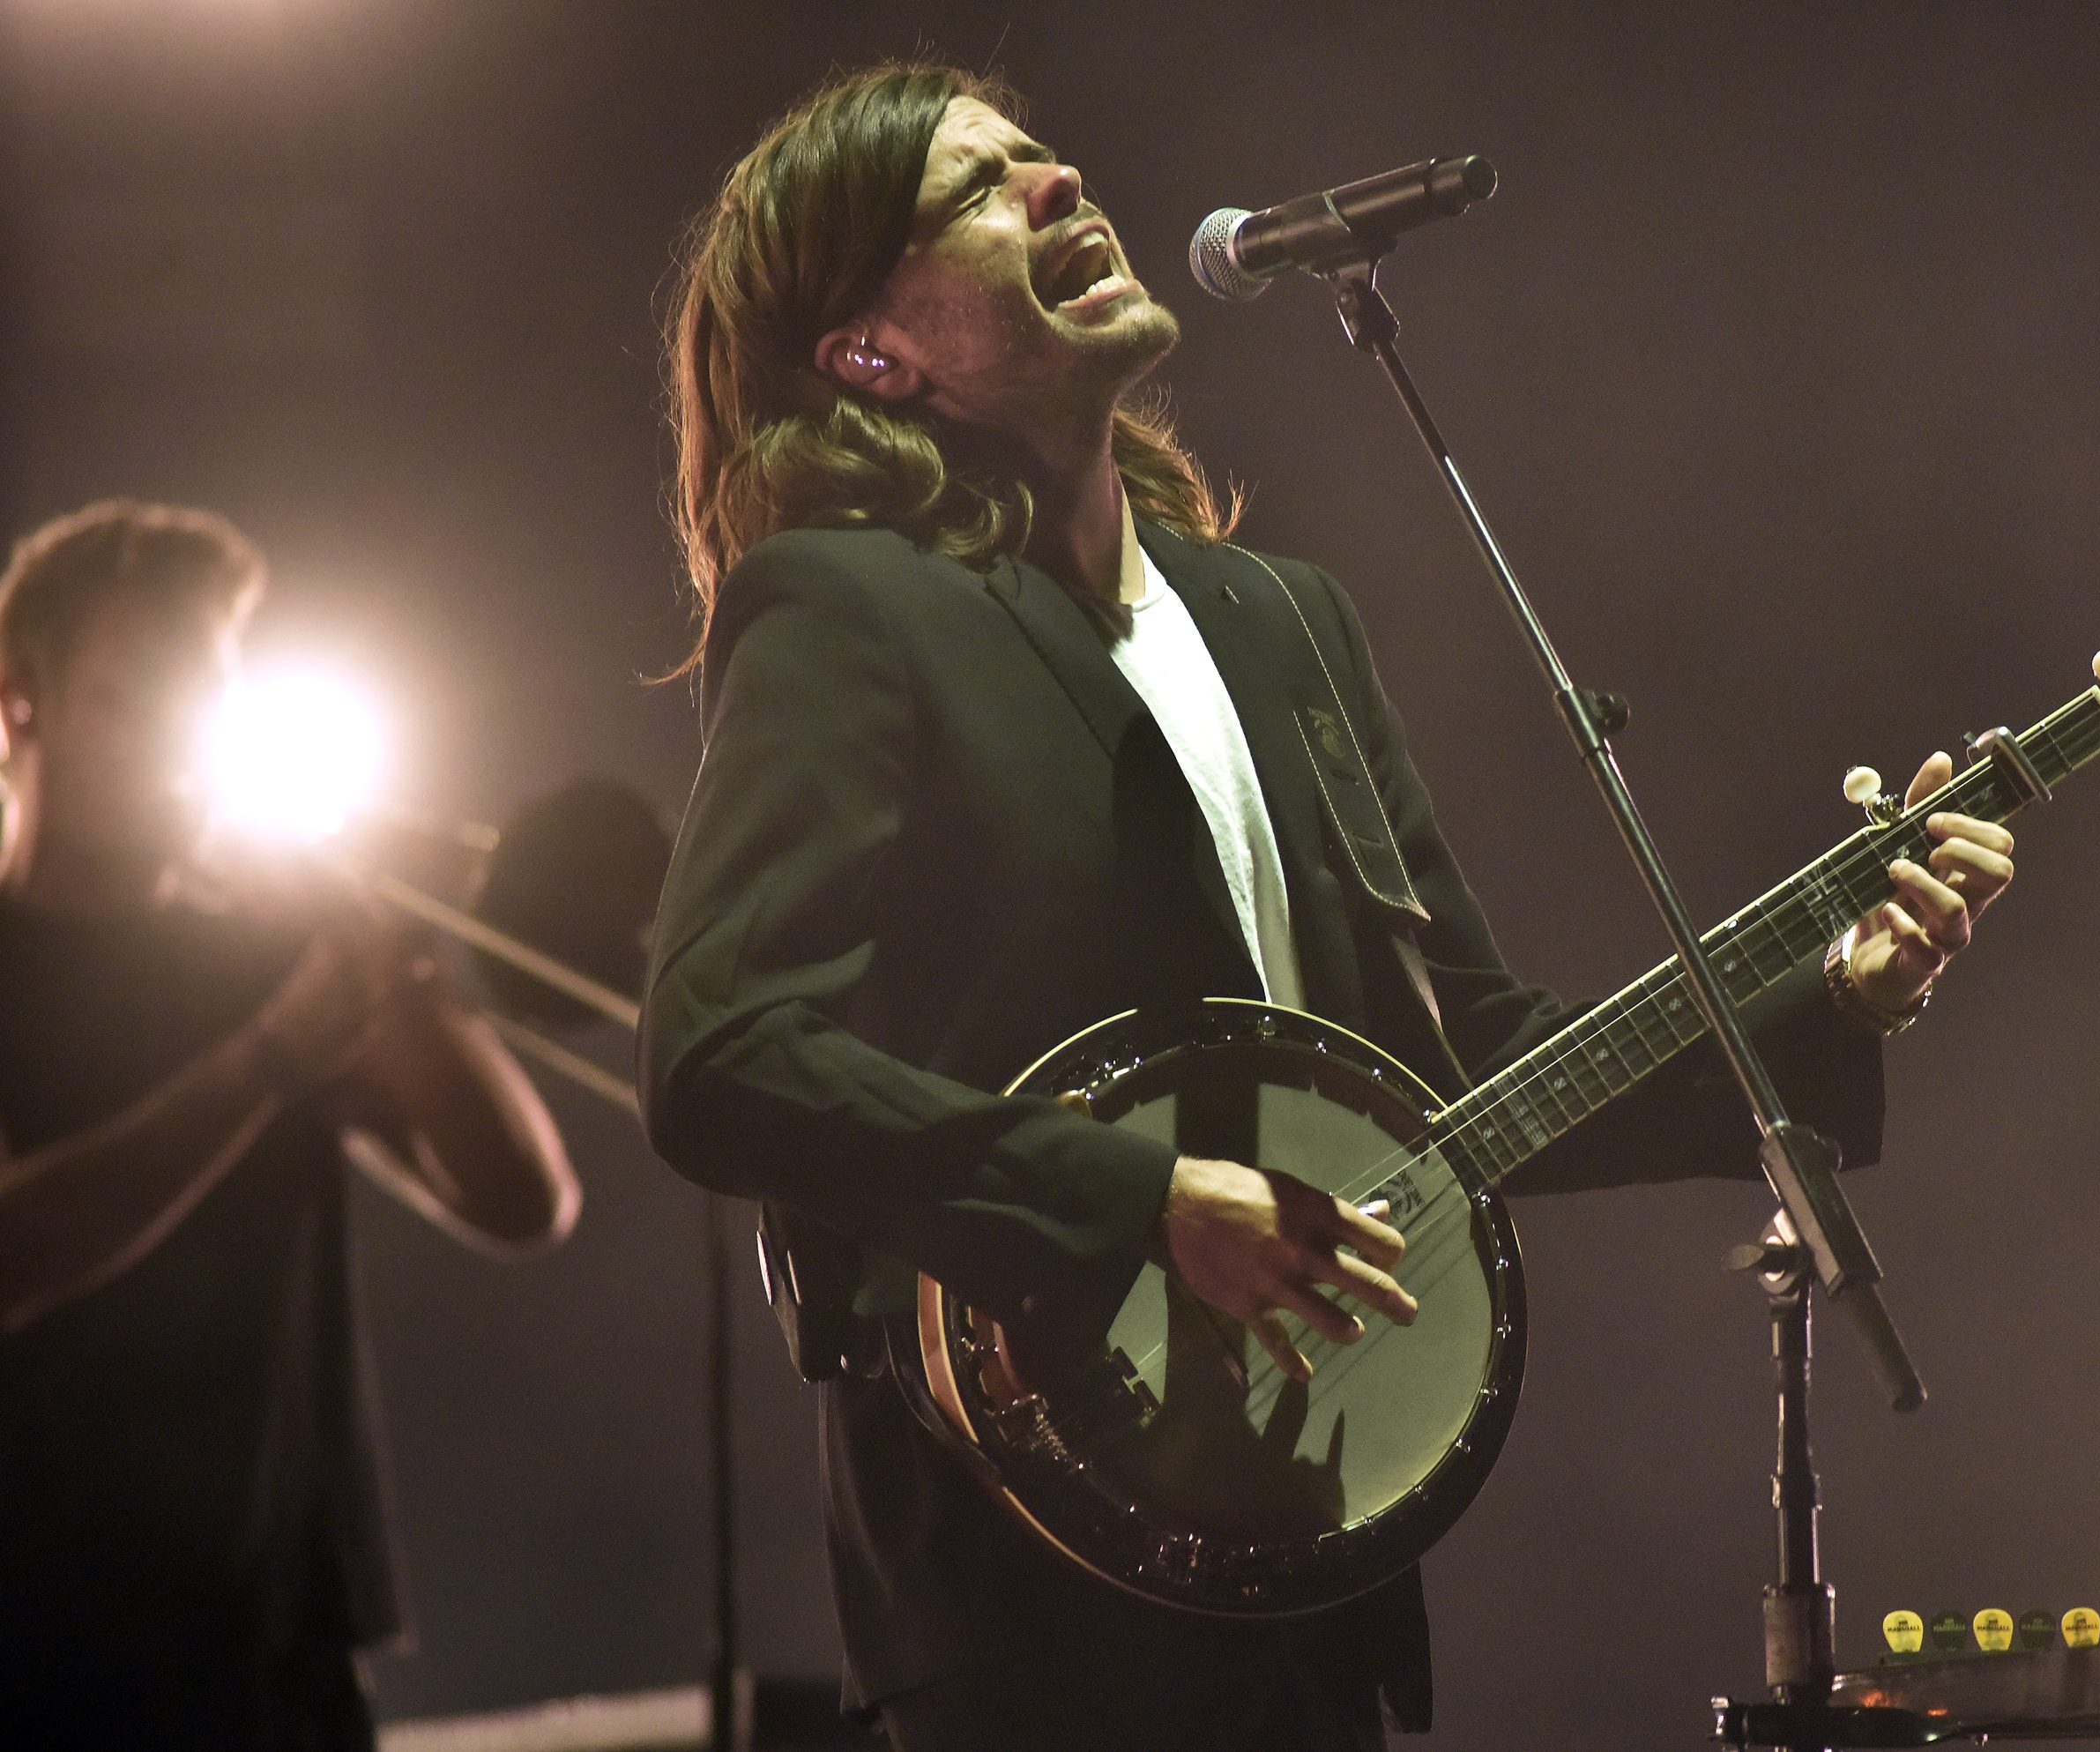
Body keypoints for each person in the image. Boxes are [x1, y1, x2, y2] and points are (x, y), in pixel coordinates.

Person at [639, 63, 2016, 1752]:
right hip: (1029, 1580)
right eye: (979, 192)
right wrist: (1143, 1200)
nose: (1060, 185)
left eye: (1047, 156)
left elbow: (1470, 1068)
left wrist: (1837, 994)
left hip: (1308, 1537)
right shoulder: (850, 611)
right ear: (872, 353)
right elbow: (720, 1056)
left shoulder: (1281, 620)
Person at [0, 499, 581, 1749]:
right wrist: (268, 1061)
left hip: (276, 1646)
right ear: (21, 700)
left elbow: (520, 1199)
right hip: (37, 1645)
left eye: (199, 696)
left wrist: (388, 961)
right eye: (132, 695)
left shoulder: (266, 958)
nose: (175, 741)